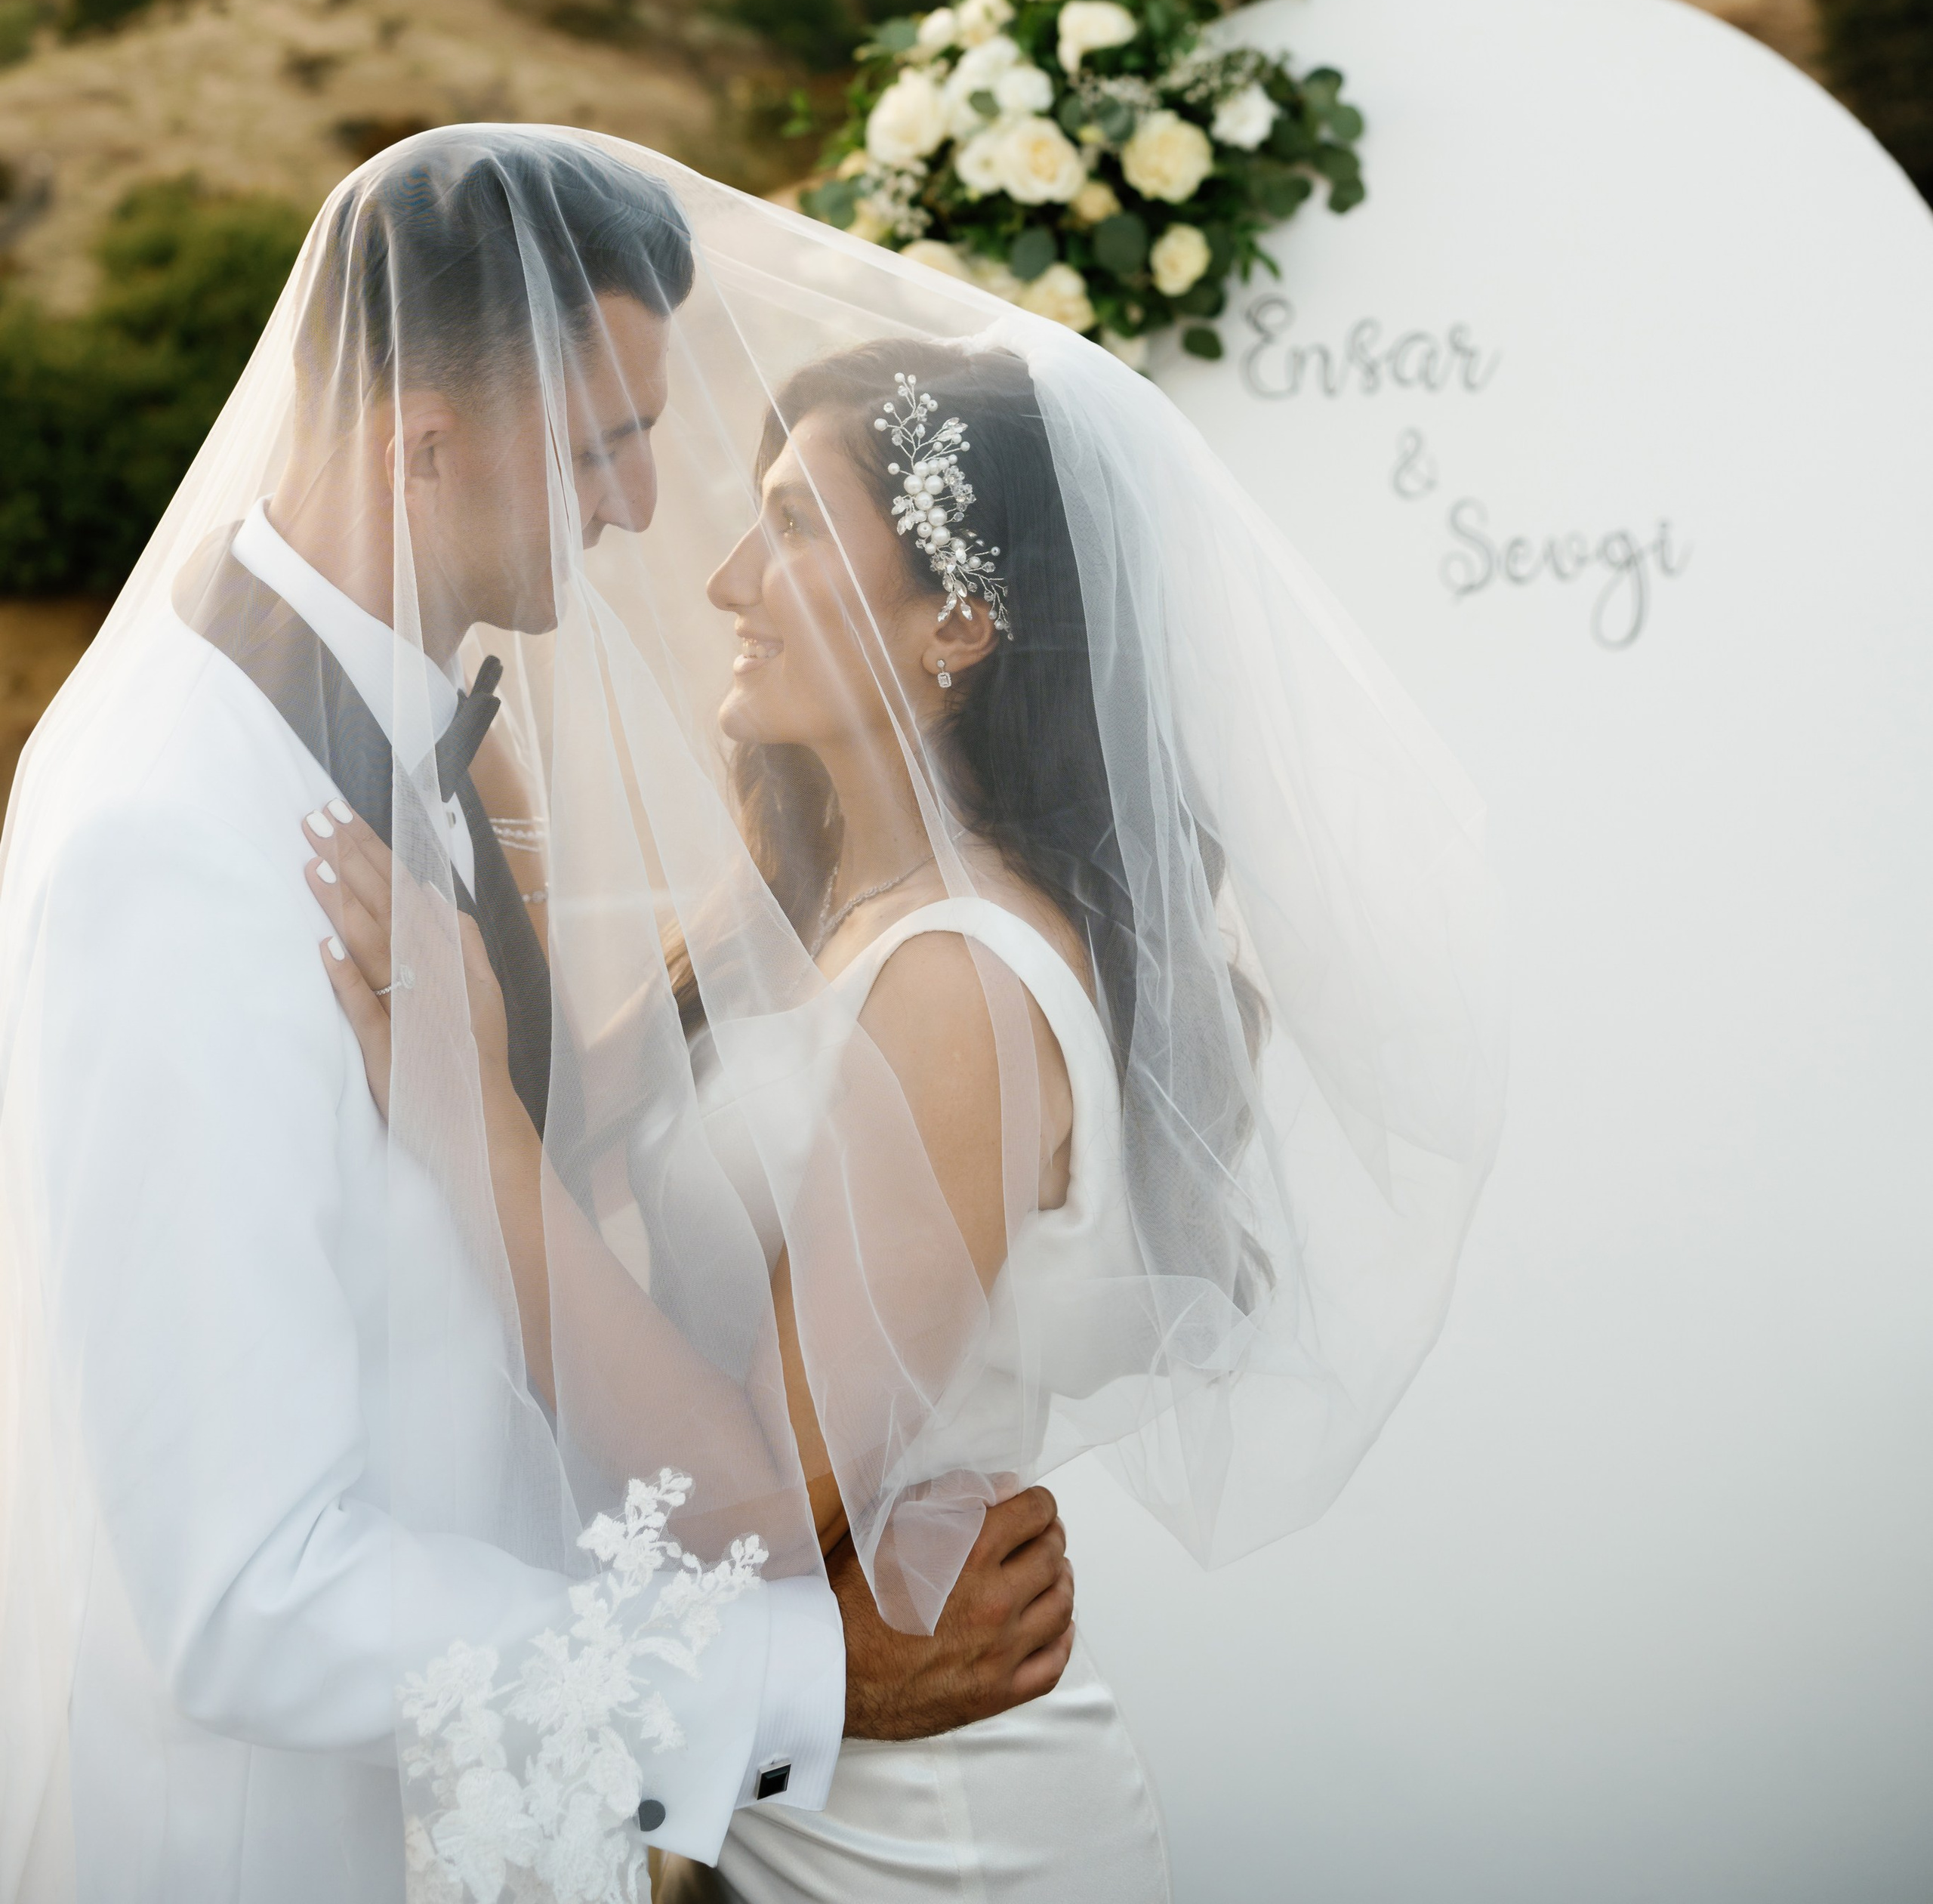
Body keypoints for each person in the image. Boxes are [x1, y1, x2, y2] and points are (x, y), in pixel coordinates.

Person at [279, 138, 1506, 1904]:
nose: (724, 581)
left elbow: (758, 1505)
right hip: (779, 1778)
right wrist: (485, 853)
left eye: (792, 529)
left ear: (959, 625)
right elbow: (582, 1142)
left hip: (931, 1835)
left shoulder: (960, 987)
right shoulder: (799, 907)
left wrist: (463, 1112)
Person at [0, 132, 1074, 1904]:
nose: (645, 509)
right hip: (285, 1852)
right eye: (599, 449)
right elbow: (248, 1593)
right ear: (425, 445)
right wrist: (799, 1679)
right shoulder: (177, 831)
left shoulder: (401, 759)